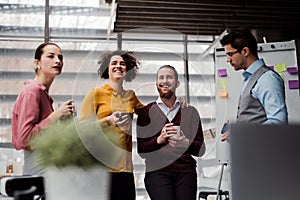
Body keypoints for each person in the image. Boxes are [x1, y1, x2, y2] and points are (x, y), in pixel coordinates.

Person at [79, 50, 143, 200]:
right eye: (114, 63)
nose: (118, 66)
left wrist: (173, 103)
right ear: (106, 69)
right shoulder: (95, 94)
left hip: (125, 170)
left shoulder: (131, 96)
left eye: (122, 64)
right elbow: (82, 129)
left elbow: (150, 114)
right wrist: (108, 121)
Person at [136, 65, 204, 200]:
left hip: (185, 172)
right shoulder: (145, 113)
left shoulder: (190, 112)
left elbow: (201, 150)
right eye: (161, 77)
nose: (165, 81)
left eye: (169, 77)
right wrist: (159, 140)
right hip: (157, 172)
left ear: (177, 83)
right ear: (156, 83)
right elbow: (142, 151)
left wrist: (186, 143)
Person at [11, 42, 75, 175]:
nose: (58, 61)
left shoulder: (43, 94)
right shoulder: (32, 91)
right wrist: (55, 116)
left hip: (46, 168)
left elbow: (43, 136)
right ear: (37, 63)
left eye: (60, 58)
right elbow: (25, 138)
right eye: (51, 56)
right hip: (38, 171)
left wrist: (63, 120)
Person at [219, 27, 288, 141]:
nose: (228, 60)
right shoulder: (249, 78)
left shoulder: (267, 78)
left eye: (230, 54)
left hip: (264, 155)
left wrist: (242, 133)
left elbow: (278, 122)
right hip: (252, 153)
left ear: (245, 51)